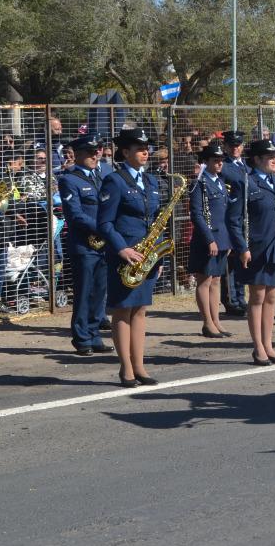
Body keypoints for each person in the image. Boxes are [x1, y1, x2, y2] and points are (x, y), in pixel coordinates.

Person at [98, 127, 166, 387]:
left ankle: (140, 366)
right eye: (139, 149)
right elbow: (105, 223)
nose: (145, 152)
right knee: (123, 309)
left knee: (140, 310)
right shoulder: (114, 181)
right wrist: (121, 249)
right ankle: (125, 367)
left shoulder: (150, 181)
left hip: (147, 256)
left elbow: (157, 221)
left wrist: (158, 256)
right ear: (125, 152)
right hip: (125, 256)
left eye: (146, 148)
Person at [227, 139, 275, 365]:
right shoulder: (246, 182)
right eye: (270, 156)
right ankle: (258, 347)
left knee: (271, 296)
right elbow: (234, 220)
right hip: (257, 248)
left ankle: (269, 344)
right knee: (258, 296)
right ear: (257, 159)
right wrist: (242, 247)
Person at [58, 134, 113, 356]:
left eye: (97, 151)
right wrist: (104, 227)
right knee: (84, 292)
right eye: (90, 152)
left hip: (104, 244)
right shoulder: (69, 180)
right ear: (78, 155)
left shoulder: (103, 175)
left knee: (100, 292)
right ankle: (82, 338)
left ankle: (95, 335)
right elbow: (75, 215)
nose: (95, 156)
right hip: (84, 244)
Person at [188, 141, 233, 339]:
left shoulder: (220, 182)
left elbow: (224, 213)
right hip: (206, 239)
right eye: (215, 160)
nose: (220, 163)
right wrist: (209, 239)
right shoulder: (199, 183)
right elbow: (197, 214)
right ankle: (207, 322)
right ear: (205, 162)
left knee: (216, 280)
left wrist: (227, 240)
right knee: (204, 280)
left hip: (221, 238)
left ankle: (216, 321)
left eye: (221, 160)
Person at [219, 130, 250, 319]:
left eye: (238, 145)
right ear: (225, 146)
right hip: (229, 218)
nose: (235, 148)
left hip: (244, 219)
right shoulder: (223, 166)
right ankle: (230, 300)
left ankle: (240, 297)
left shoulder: (245, 165)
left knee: (241, 261)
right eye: (231, 145)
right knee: (230, 263)